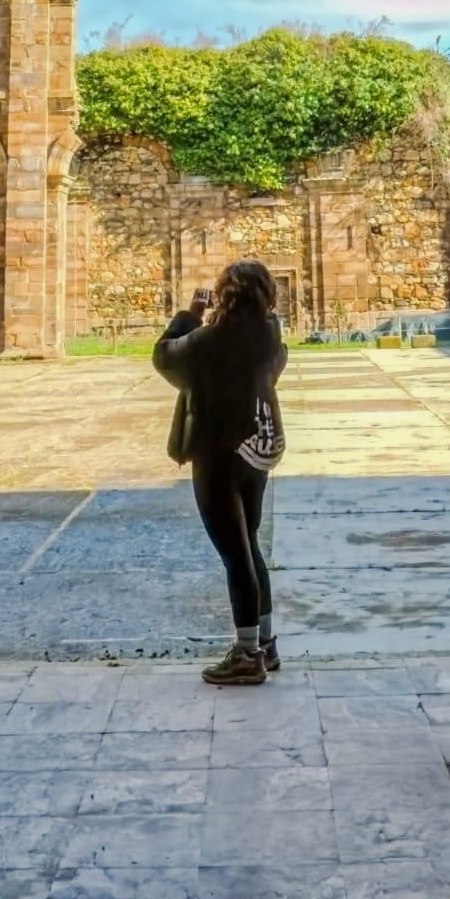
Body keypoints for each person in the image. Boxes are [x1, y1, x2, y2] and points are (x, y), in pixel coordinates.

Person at [153, 260, 288, 685]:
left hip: (218, 452)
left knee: (235, 553)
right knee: (248, 542)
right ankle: (265, 643)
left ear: (224, 294)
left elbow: (165, 355)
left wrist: (191, 313)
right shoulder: (270, 336)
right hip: (259, 447)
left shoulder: (208, 341)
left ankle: (247, 655)